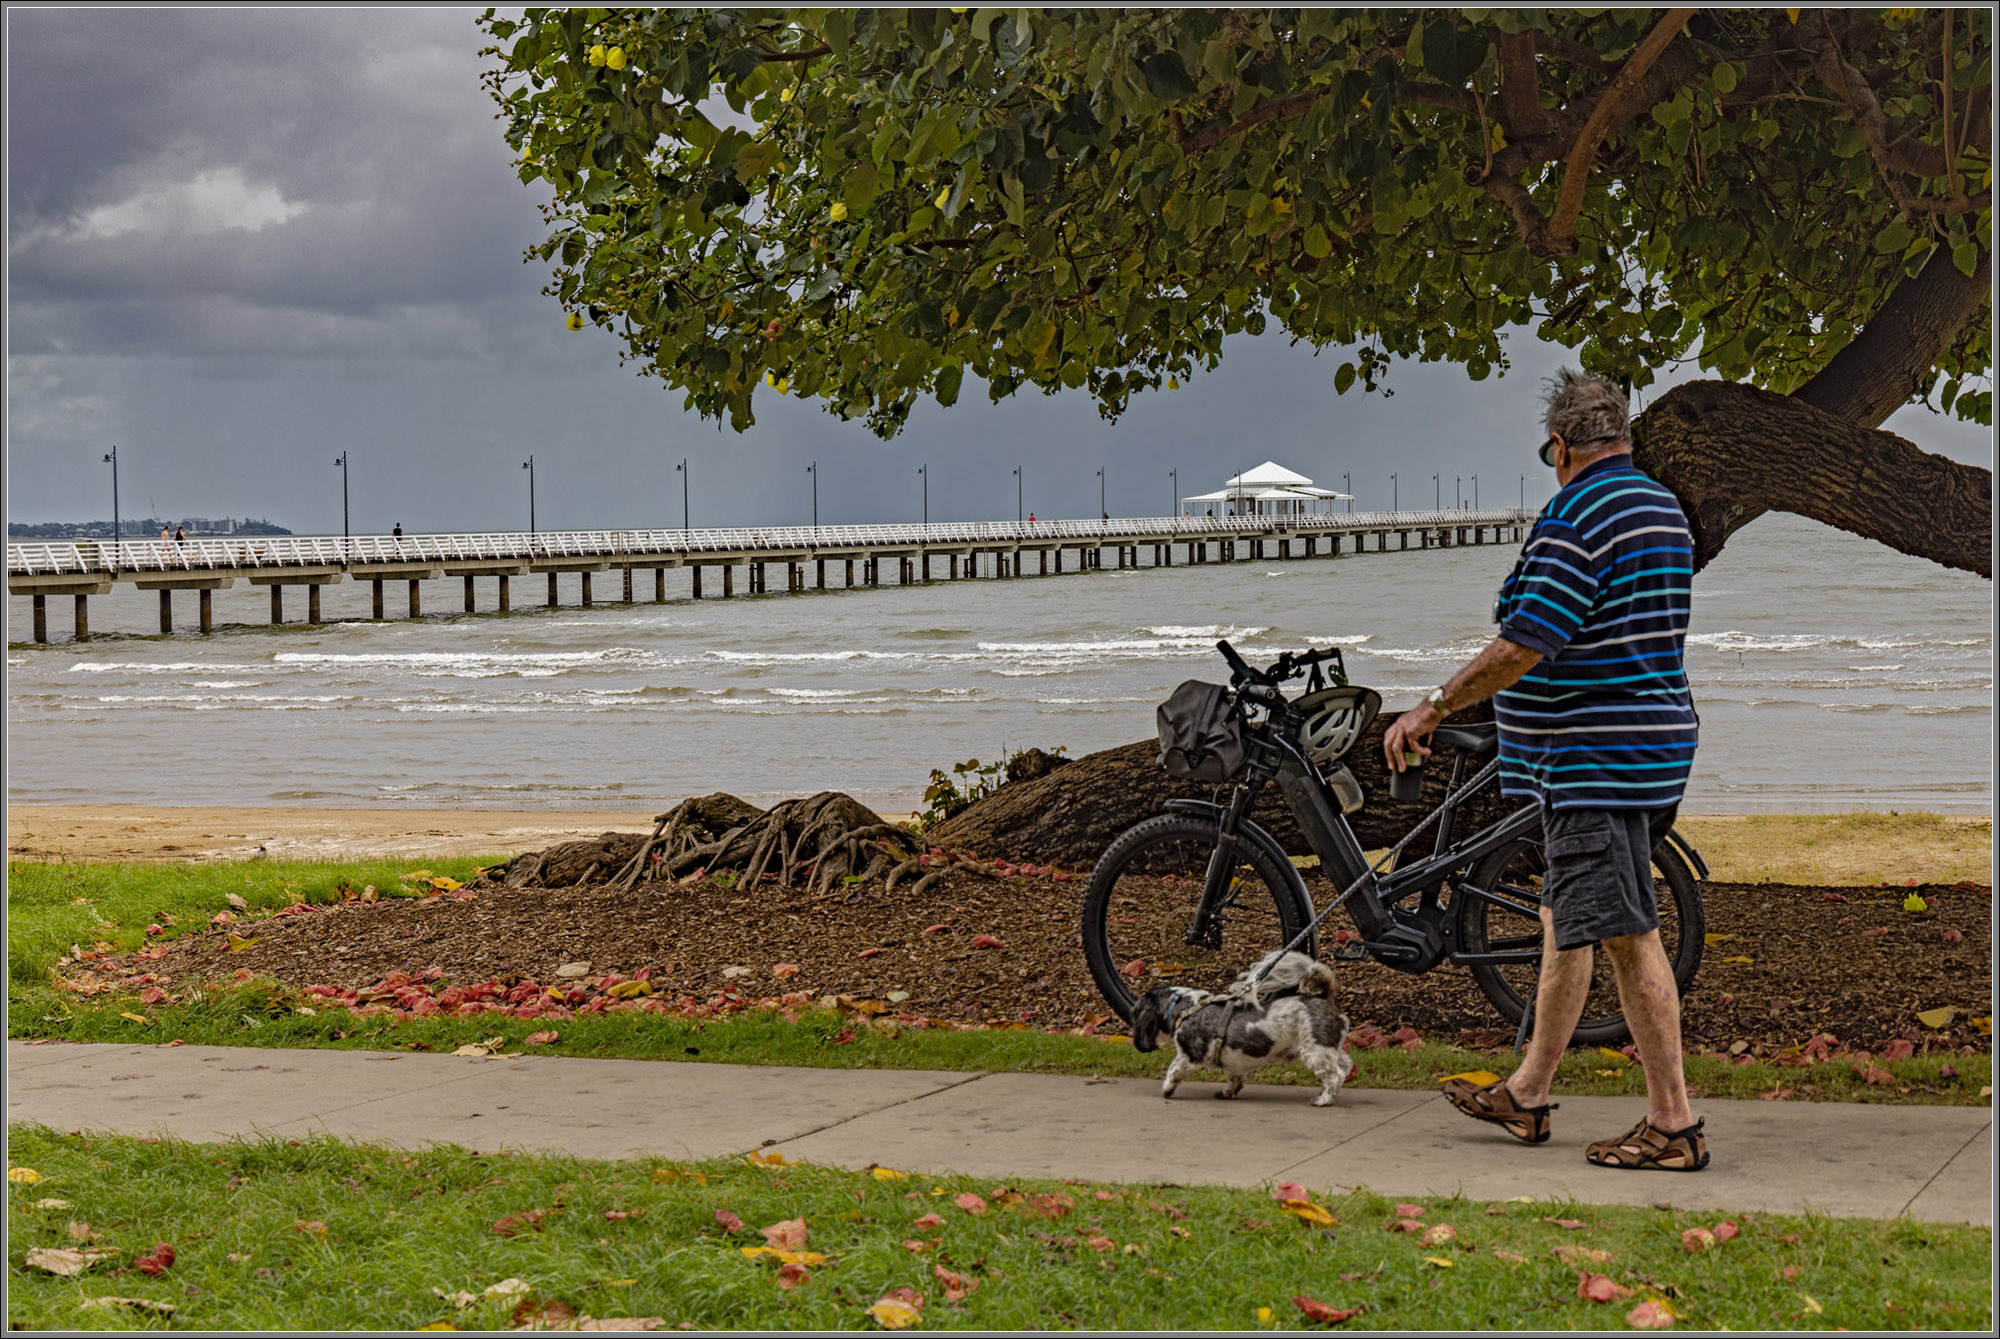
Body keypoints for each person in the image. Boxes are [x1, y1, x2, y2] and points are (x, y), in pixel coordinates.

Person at [1382, 369, 1705, 1172]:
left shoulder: (1577, 514)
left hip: (1594, 762)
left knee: (1629, 934)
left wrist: (1434, 704)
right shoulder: (1661, 507)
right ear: (1621, 435)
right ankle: (1527, 1091)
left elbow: (1529, 639)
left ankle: (1673, 1122)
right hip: (1647, 745)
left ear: (1561, 445)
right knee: (1570, 917)